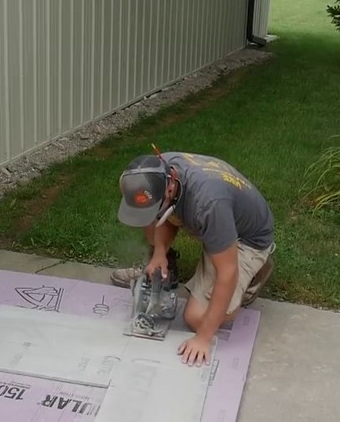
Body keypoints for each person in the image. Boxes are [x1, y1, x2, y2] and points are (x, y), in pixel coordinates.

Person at [112, 149, 276, 366]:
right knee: (150, 219)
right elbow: (162, 215)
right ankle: (163, 267)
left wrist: (203, 338)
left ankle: (255, 272)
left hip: (245, 241)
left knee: (196, 318)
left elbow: (227, 273)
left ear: (170, 188)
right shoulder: (159, 170)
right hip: (216, 220)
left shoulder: (208, 204)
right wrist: (159, 252)